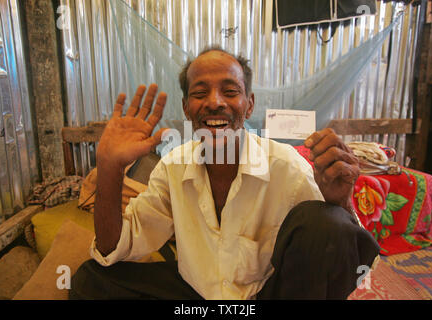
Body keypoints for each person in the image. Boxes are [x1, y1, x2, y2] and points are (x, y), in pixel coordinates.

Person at [69, 47, 380, 300]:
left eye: (230, 91)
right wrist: (109, 168)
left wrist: (341, 203)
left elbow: (341, 257)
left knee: (328, 222)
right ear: (187, 108)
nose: (215, 102)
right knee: (90, 280)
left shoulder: (287, 168)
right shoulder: (173, 167)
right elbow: (115, 248)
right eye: (200, 93)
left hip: (266, 297)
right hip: (197, 299)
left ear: (248, 105)